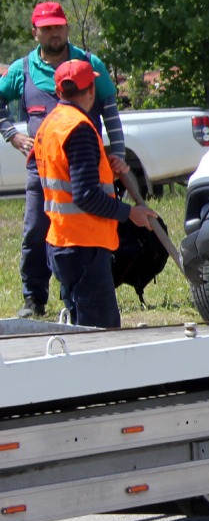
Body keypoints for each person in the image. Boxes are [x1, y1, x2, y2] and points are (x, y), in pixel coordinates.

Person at [1, 1, 128, 318]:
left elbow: (111, 112)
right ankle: (34, 299)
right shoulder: (23, 70)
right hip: (41, 168)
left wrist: (119, 154)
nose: (54, 33)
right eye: (47, 28)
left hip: (83, 164)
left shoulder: (88, 64)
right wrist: (11, 134)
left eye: (58, 26)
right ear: (35, 32)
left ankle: (76, 294)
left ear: (67, 27)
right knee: (36, 231)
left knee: (85, 230)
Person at [32, 59, 155, 328]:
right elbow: (86, 195)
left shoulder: (50, 125)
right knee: (100, 337)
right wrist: (130, 213)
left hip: (62, 242)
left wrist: (105, 170)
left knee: (81, 331)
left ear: (59, 91)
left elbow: (60, 175)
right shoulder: (80, 129)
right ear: (90, 91)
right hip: (83, 247)